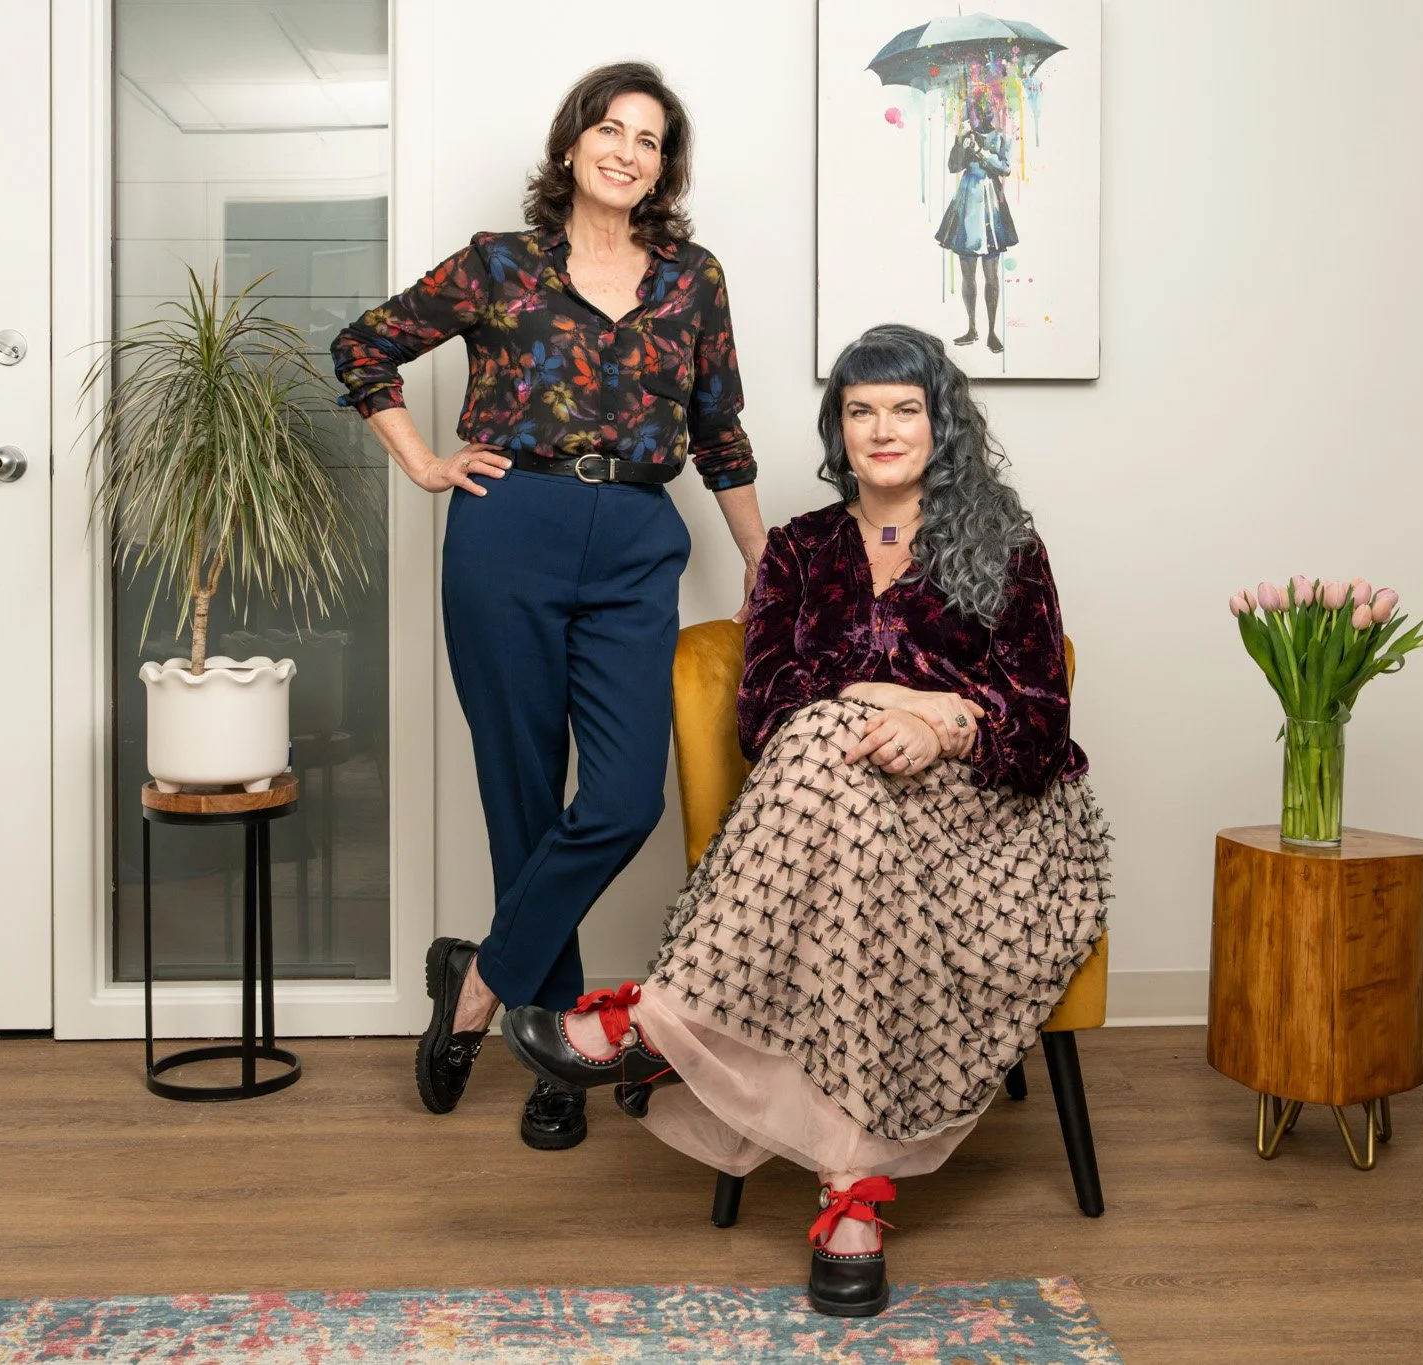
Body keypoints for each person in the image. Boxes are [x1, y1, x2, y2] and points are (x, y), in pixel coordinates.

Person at [500, 323, 1110, 1316]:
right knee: (833, 763)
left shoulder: (1006, 548)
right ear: (838, 427)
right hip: (838, 813)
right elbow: (763, 709)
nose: (881, 429)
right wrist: (884, 703)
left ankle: (653, 1023)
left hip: (990, 830)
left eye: (903, 409)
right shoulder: (793, 548)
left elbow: (1039, 722)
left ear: (937, 423)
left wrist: (947, 726)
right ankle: (851, 1196)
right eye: (860, 410)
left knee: (832, 747)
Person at [329, 62, 768, 1152]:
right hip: (507, 533)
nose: (627, 150)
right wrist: (424, 461)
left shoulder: (691, 280)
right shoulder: (499, 266)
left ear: (665, 166)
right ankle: (559, 1058)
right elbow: (362, 348)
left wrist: (767, 567)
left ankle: (479, 985)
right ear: (570, 144)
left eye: (650, 139)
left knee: (620, 799)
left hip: (633, 542)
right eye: (608, 129)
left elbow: (719, 436)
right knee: (522, 793)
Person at [935, 93, 1019, 354]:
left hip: (990, 203)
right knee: (967, 272)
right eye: (976, 110)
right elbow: (952, 166)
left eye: (986, 110)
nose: (982, 115)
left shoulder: (1001, 138)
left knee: (991, 274)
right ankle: (972, 327)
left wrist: (981, 152)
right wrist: (961, 143)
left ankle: (992, 331)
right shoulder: (966, 134)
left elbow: (1004, 168)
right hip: (967, 203)